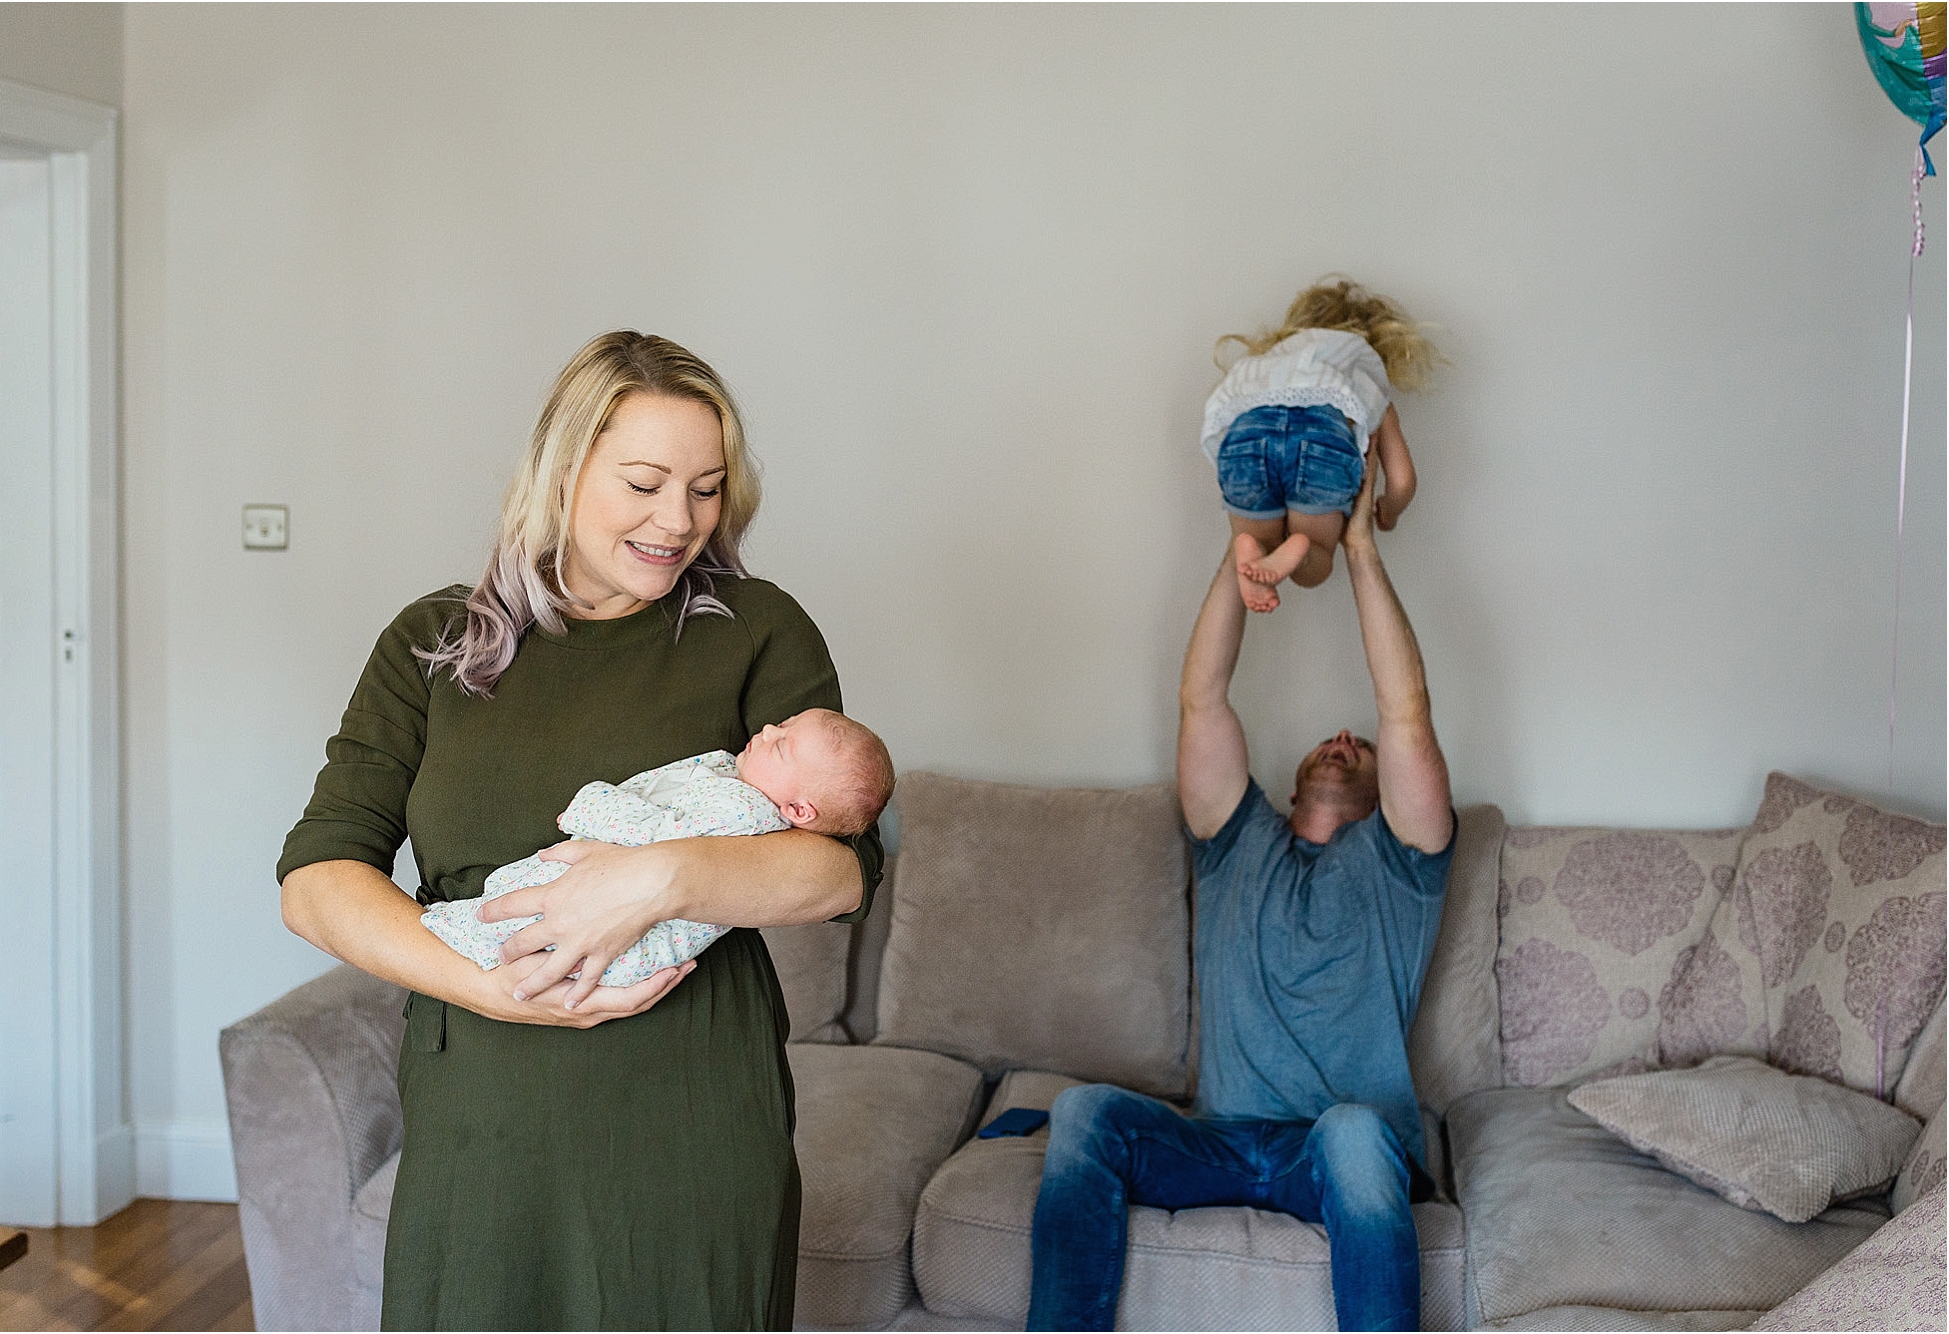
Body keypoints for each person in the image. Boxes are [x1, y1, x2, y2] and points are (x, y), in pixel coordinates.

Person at [277, 331, 883, 1330]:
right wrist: (493, 988)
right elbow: (316, 876)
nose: (677, 520)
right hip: (482, 1097)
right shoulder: (430, 645)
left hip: (690, 1100)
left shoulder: (757, 629)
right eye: (643, 482)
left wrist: (656, 879)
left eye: (704, 487)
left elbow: (837, 871)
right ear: (561, 472)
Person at [1026, 448, 1456, 1332]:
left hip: (1340, 1154)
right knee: (1083, 1114)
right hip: (1217, 1142)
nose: (1346, 734)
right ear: (1292, 781)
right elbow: (1202, 698)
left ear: (1385, 789)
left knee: (1346, 1128)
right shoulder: (1234, 842)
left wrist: (1361, 547)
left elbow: (1405, 710)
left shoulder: (1405, 862)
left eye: (1361, 745)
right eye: (1331, 740)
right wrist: (1244, 538)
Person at [422, 708, 895, 988]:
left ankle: (458, 934)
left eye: (783, 747)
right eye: (783, 724)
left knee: (520, 912)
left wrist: (593, 803)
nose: (769, 730)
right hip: (632, 951)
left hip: (630, 942)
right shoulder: (746, 797)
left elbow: (659, 843)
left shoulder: (742, 809)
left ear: (800, 810)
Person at [1200, 277, 1438, 610]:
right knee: (1315, 566)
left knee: (1259, 541)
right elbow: (1402, 479)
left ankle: (1251, 546)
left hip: (1247, 439)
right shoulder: (1361, 374)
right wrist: (1391, 509)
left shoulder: (1270, 363)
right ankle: (1301, 548)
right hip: (1320, 441)